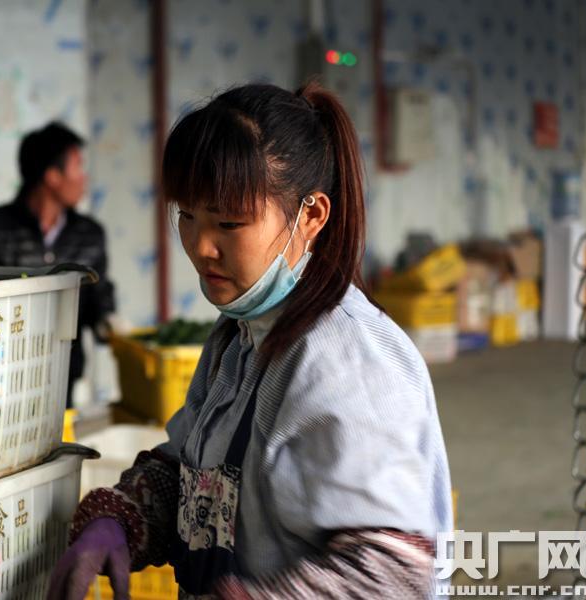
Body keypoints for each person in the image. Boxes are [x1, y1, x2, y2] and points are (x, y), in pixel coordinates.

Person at [47, 82, 452, 599]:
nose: (201, 246)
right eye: (187, 216)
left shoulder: (347, 360)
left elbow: (392, 573)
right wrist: (122, 517)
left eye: (229, 222)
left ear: (311, 217)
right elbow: (197, 473)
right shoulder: (237, 337)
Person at [0, 122, 115, 408]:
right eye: (78, 167)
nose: (84, 178)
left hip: (62, 372)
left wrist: (110, 324)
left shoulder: (90, 234)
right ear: (53, 176)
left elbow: (98, 297)